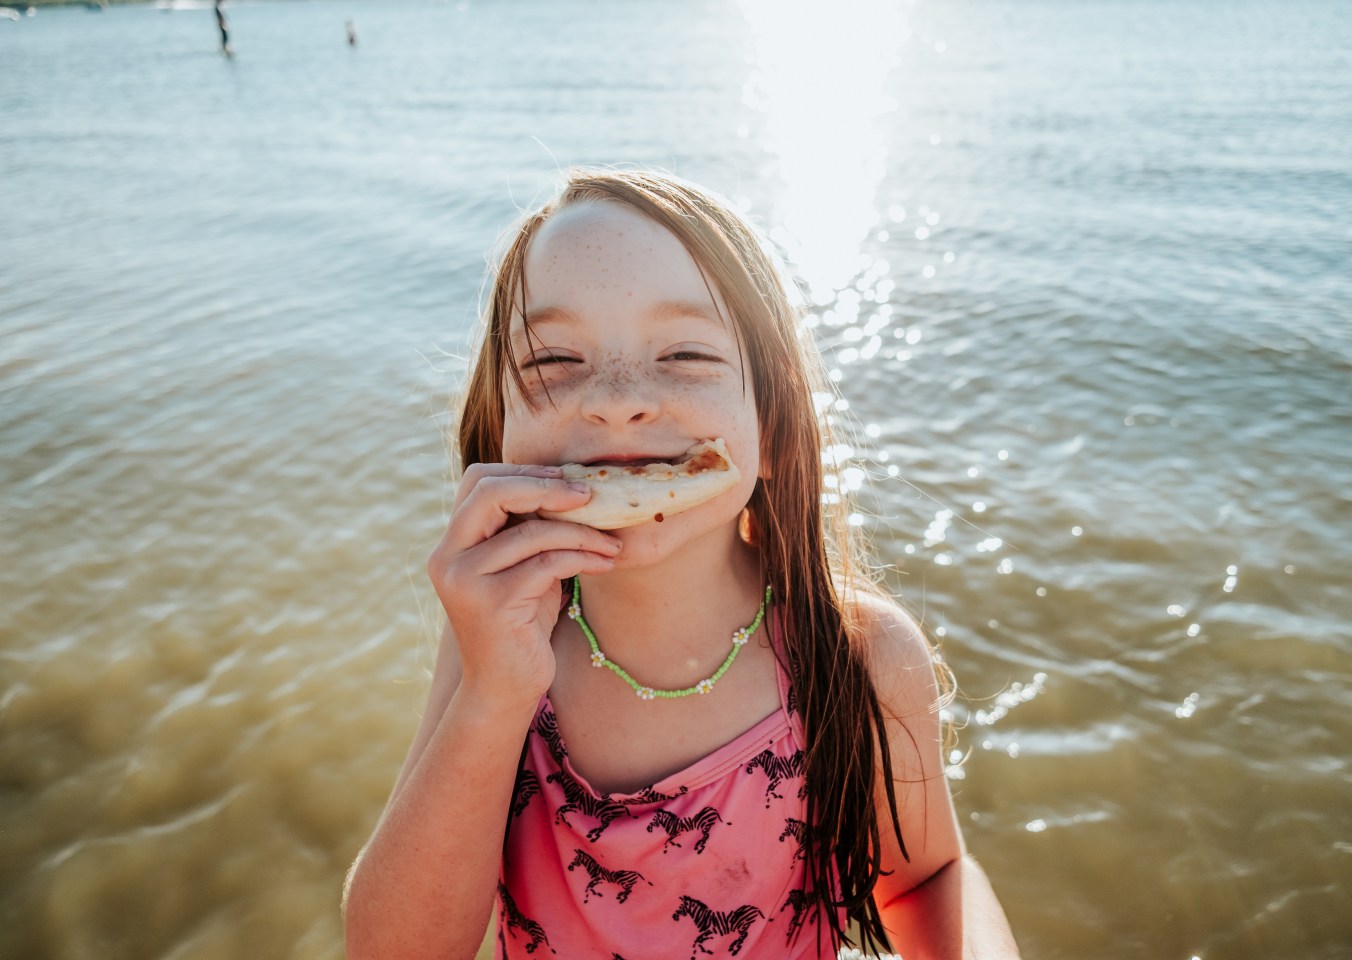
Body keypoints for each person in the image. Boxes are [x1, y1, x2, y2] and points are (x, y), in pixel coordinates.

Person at [343, 168, 1021, 959]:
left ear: (777, 435)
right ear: (498, 432)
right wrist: (494, 694)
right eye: (554, 359)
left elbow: (925, 878)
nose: (617, 401)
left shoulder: (857, 658)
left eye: (687, 353)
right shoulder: (496, 644)